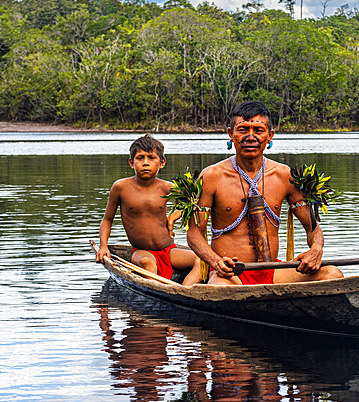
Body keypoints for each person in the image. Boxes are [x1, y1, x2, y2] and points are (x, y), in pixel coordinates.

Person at [187, 101, 343, 285]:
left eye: (258, 130)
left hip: (272, 273)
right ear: (230, 134)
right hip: (231, 275)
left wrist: (316, 250)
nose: (250, 137)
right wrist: (216, 262)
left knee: (332, 274)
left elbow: (313, 228)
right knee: (219, 288)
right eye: (243, 129)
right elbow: (194, 234)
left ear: (270, 136)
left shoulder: (285, 176)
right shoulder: (212, 177)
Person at [97, 134, 200, 285]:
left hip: (168, 250)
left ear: (162, 162)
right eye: (140, 158)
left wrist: (172, 218)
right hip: (141, 252)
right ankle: (160, 291)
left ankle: (185, 293)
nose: (146, 163)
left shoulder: (168, 187)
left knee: (200, 260)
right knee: (148, 263)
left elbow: (191, 203)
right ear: (131, 163)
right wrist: (103, 246)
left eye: (151, 158)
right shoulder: (120, 187)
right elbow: (107, 219)